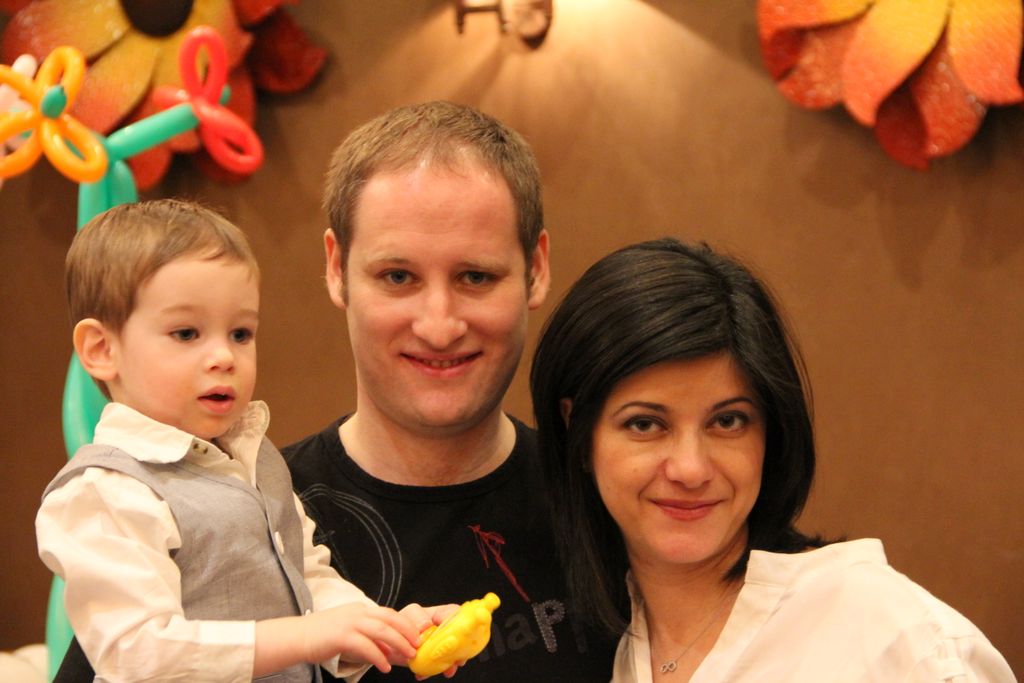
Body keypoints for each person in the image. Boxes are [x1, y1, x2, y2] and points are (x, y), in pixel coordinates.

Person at [530, 237, 1016, 682]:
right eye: (645, 424)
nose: (690, 469)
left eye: (727, 421)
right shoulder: (590, 647)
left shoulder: (892, 638)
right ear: (578, 434)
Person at [37, 199, 455, 683]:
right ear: (101, 349)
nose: (224, 356)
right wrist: (305, 636)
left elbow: (307, 580)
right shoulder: (105, 492)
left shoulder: (255, 460)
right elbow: (136, 653)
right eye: (186, 333)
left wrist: (385, 629)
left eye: (240, 333)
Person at [284, 101, 618, 681]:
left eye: (475, 277)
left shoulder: (610, 505)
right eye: (398, 277)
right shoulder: (246, 519)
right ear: (337, 269)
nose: (439, 326)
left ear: (536, 269)